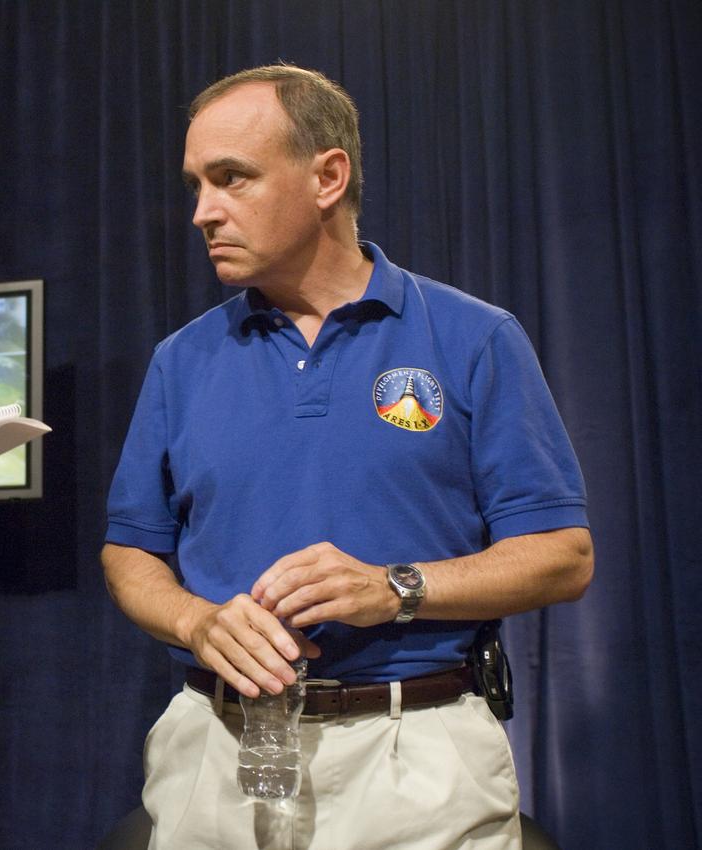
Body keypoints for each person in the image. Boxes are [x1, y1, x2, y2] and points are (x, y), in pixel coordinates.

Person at [102, 64, 593, 850]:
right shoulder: (180, 360)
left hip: (417, 762)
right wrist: (197, 623)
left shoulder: (474, 339)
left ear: (328, 176)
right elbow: (130, 554)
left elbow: (563, 557)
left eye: (232, 179)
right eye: (196, 184)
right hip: (215, 755)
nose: (202, 212)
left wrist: (394, 588)